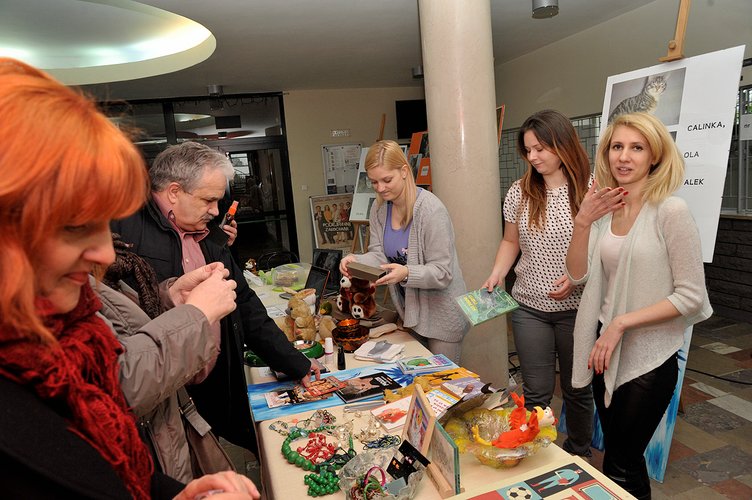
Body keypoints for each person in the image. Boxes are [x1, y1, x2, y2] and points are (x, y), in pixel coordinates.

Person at [0, 57, 259, 499]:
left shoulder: (66, 316)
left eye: (105, 224)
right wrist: (194, 315)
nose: (105, 253)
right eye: (75, 225)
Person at [112, 141, 319, 454]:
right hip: (163, 397)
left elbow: (246, 305)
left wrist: (294, 363)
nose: (215, 211)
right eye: (208, 200)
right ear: (173, 192)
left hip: (215, 383)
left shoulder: (209, 233)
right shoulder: (123, 230)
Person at [566, 112, 712, 498]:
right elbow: (578, 275)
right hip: (604, 349)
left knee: (621, 462)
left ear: (655, 156)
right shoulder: (606, 210)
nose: (624, 156)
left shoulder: (671, 211)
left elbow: (691, 295)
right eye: (617, 146)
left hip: (648, 356)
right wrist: (583, 222)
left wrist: (620, 323)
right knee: (620, 460)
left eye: (636, 147)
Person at [481, 110, 594, 458]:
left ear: (563, 144)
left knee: (577, 388)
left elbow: (605, 246)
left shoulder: (590, 188)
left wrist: (577, 278)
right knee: (537, 391)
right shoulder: (521, 191)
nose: (533, 157)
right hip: (529, 307)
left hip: (578, 309)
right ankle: (536, 454)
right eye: (528, 150)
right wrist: (498, 272)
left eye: (540, 149)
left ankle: (578, 452)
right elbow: (510, 241)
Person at [100, 235, 236, 483]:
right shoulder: (56, 292)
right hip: (145, 457)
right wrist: (195, 315)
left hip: (165, 440)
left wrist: (171, 298)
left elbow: (132, 332)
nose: (106, 251)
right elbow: (120, 382)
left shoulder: (91, 275)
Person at [339, 140, 469, 363]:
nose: (380, 188)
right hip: (411, 313)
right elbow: (379, 255)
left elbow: (442, 272)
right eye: (374, 182)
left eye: (387, 180)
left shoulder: (431, 210)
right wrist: (356, 260)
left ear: (404, 171)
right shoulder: (379, 209)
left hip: (443, 315)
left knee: (442, 380)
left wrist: (406, 273)